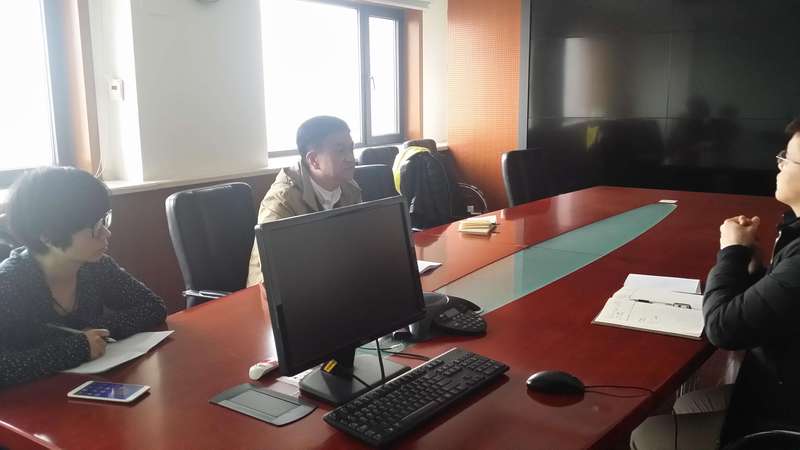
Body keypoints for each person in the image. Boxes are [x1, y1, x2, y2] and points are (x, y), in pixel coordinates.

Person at [631, 118, 800, 449]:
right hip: (776, 386)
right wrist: (754, 269)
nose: (778, 164)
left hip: (783, 417)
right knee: (687, 403)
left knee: (644, 435)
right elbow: (781, 305)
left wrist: (732, 251)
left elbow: (724, 329)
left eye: (787, 158)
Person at [0, 167, 167, 388]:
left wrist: (97, 331)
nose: (107, 233)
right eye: (96, 227)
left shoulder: (95, 266)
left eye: (105, 220)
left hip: (89, 389)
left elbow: (153, 307)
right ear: (48, 235)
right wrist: (77, 347)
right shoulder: (9, 284)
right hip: (31, 400)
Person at [247, 116, 361, 286]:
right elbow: (274, 276)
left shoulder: (351, 189)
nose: (351, 158)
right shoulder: (281, 202)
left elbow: (357, 246)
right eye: (340, 151)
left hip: (332, 282)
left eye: (351, 149)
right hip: (276, 293)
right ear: (314, 160)